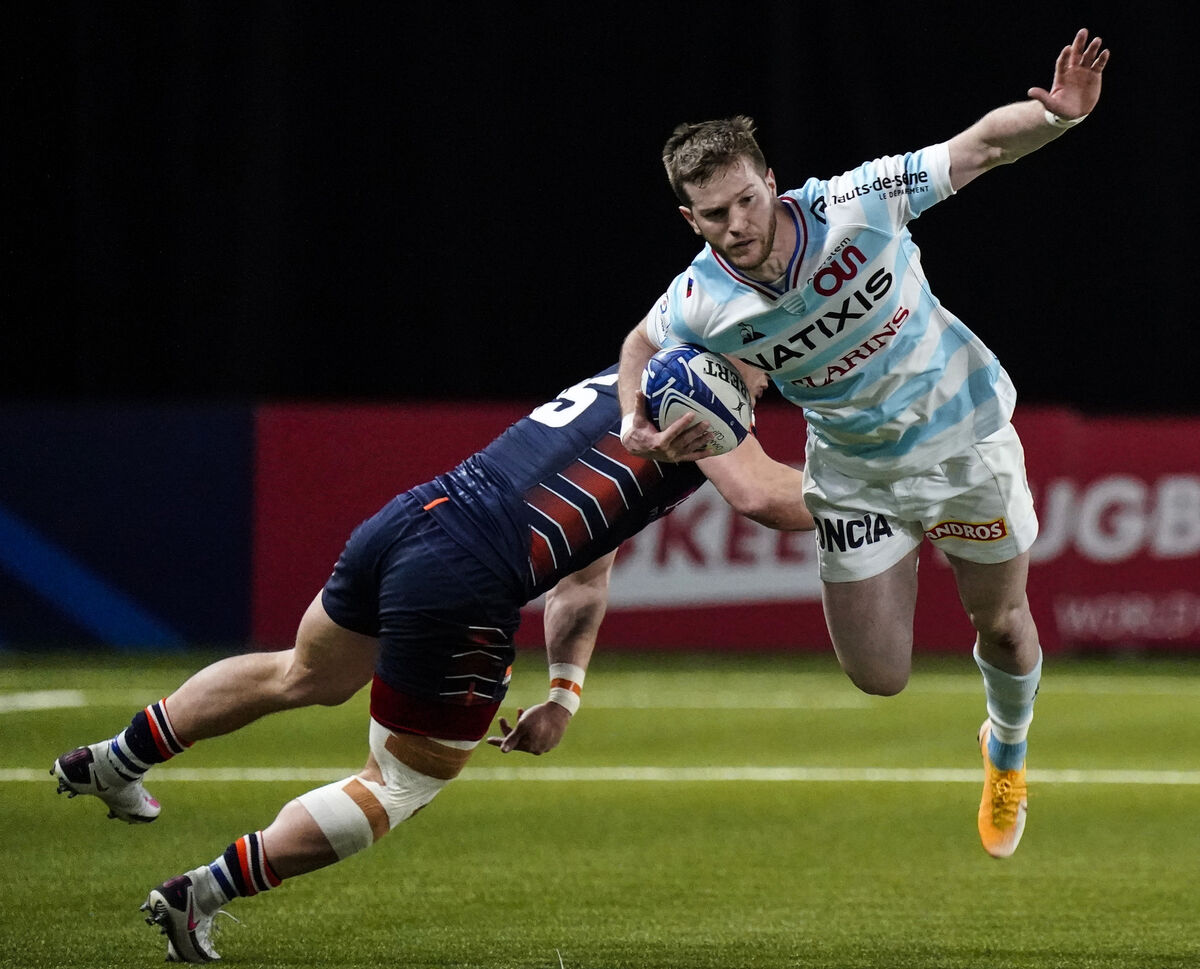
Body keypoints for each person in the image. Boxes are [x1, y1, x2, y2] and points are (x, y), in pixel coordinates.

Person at [51, 358, 812, 963]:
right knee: (402, 780)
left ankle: (115, 761)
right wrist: (901, 497)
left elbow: (585, 572)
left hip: (417, 514)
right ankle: (200, 895)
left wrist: (565, 691)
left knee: (305, 673)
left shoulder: (635, 363)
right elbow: (769, 498)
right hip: (470, 572)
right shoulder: (708, 390)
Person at [615, 29, 1109, 860]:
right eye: (712, 213)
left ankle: (1007, 749)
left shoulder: (858, 200)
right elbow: (639, 343)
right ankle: (903, 540)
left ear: (770, 182)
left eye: (746, 199)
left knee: (1005, 626)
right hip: (855, 477)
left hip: (964, 445)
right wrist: (634, 417)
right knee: (879, 675)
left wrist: (1056, 118)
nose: (736, 224)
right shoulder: (699, 300)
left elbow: (980, 147)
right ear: (687, 217)